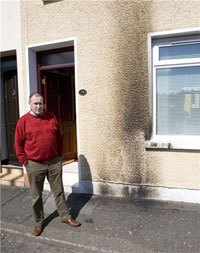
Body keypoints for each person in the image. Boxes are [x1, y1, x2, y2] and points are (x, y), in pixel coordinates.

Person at [14, 92, 81, 236]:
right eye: (35, 103)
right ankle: (39, 222)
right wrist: (24, 161)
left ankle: (65, 217)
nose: (38, 106)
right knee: (36, 195)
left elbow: (60, 137)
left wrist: (59, 154)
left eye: (40, 103)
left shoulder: (51, 117)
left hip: (54, 162)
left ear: (43, 104)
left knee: (59, 191)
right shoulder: (23, 121)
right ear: (30, 104)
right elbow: (18, 144)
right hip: (34, 164)